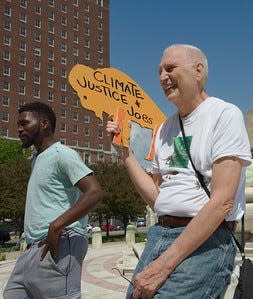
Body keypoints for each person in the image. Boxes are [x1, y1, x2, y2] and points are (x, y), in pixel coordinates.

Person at [106, 44, 252, 299]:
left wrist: (163, 265)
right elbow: (159, 198)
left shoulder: (225, 115)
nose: (162, 77)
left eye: (170, 68)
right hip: (159, 235)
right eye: (159, 71)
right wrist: (125, 153)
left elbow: (222, 202)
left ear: (198, 70)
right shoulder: (164, 129)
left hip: (206, 242)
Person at [4, 102, 103, 299]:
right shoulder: (36, 158)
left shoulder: (62, 154)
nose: (19, 129)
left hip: (59, 244)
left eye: (24, 123)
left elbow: (94, 192)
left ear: (44, 124)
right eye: (18, 125)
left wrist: (55, 226)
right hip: (34, 247)